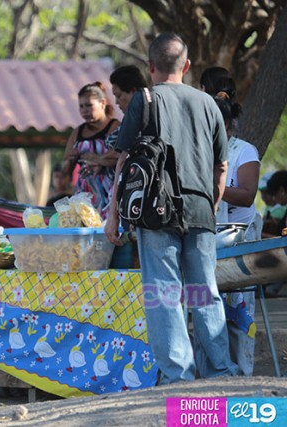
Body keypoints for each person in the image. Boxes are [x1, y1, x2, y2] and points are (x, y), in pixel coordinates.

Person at [105, 33, 240, 384]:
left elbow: (124, 160)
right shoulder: (210, 104)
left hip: (155, 212)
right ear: (187, 66)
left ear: (150, 67)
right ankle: (221, 371)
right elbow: (221, 167)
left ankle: (178, 377)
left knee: (165, 294)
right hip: (200, 210)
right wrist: (210, 206)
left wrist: (114, 214)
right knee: (203, 291)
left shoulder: (145, 99)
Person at [208, 85, 261, 376]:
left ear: (227, 124)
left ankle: (242, 373)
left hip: (237, 237)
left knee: (238, 308)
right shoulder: (202, 151)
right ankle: (216, 371)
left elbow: (247, 195)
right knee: (209, 306)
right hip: (207, 237)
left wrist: (213, 188)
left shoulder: (244, 151)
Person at [62, 82, 120, 218]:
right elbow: (65, 170)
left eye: (89, 105)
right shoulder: (78, 132)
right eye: (81, 106)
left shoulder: (115, 127)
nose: (84, 110)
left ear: (103, 103)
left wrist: (98, 159)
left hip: (111, 192)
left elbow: (120, 156)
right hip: (84, 196)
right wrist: (71, 159)